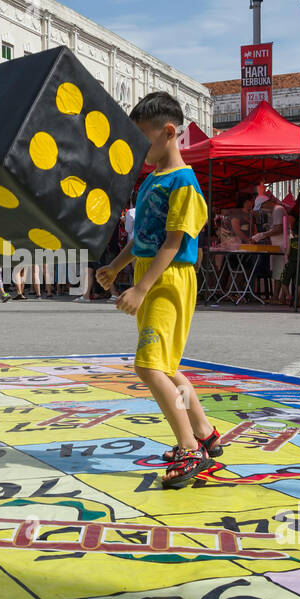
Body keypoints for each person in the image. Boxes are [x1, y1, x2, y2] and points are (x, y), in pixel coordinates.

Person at [95, 91, 221, 489]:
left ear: (169, 132)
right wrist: (116, 268)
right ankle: (203, 431)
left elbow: (172, 242)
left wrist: (142, 288)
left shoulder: (183, 183)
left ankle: (189, 448)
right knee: (164, 367)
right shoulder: (152, 181)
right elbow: (144, 238)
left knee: (148, 367)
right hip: (152, 274)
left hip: (169, 280)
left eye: (144, 140)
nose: (139, 150)